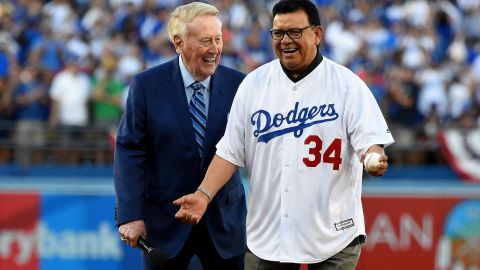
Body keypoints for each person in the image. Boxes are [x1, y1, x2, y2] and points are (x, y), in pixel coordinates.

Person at [173, 0, 395, 269]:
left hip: (333, 235)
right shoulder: (254, 84)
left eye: (295, 32)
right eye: (278, 34)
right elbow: (230, 152)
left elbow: (370, 142)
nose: (285, 40)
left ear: (317, 34)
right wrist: (203, 195)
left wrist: (374, 155)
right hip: (268, 235)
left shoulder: (347, 85)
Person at [114, 2, 247, 270]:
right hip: (165, 224)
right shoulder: (146, 86)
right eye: (205, 41)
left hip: (224, 222)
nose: (214, 49)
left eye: (218, 39)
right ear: (178, 43)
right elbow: (130, 152)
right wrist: (130, 215)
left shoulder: (241, 85)